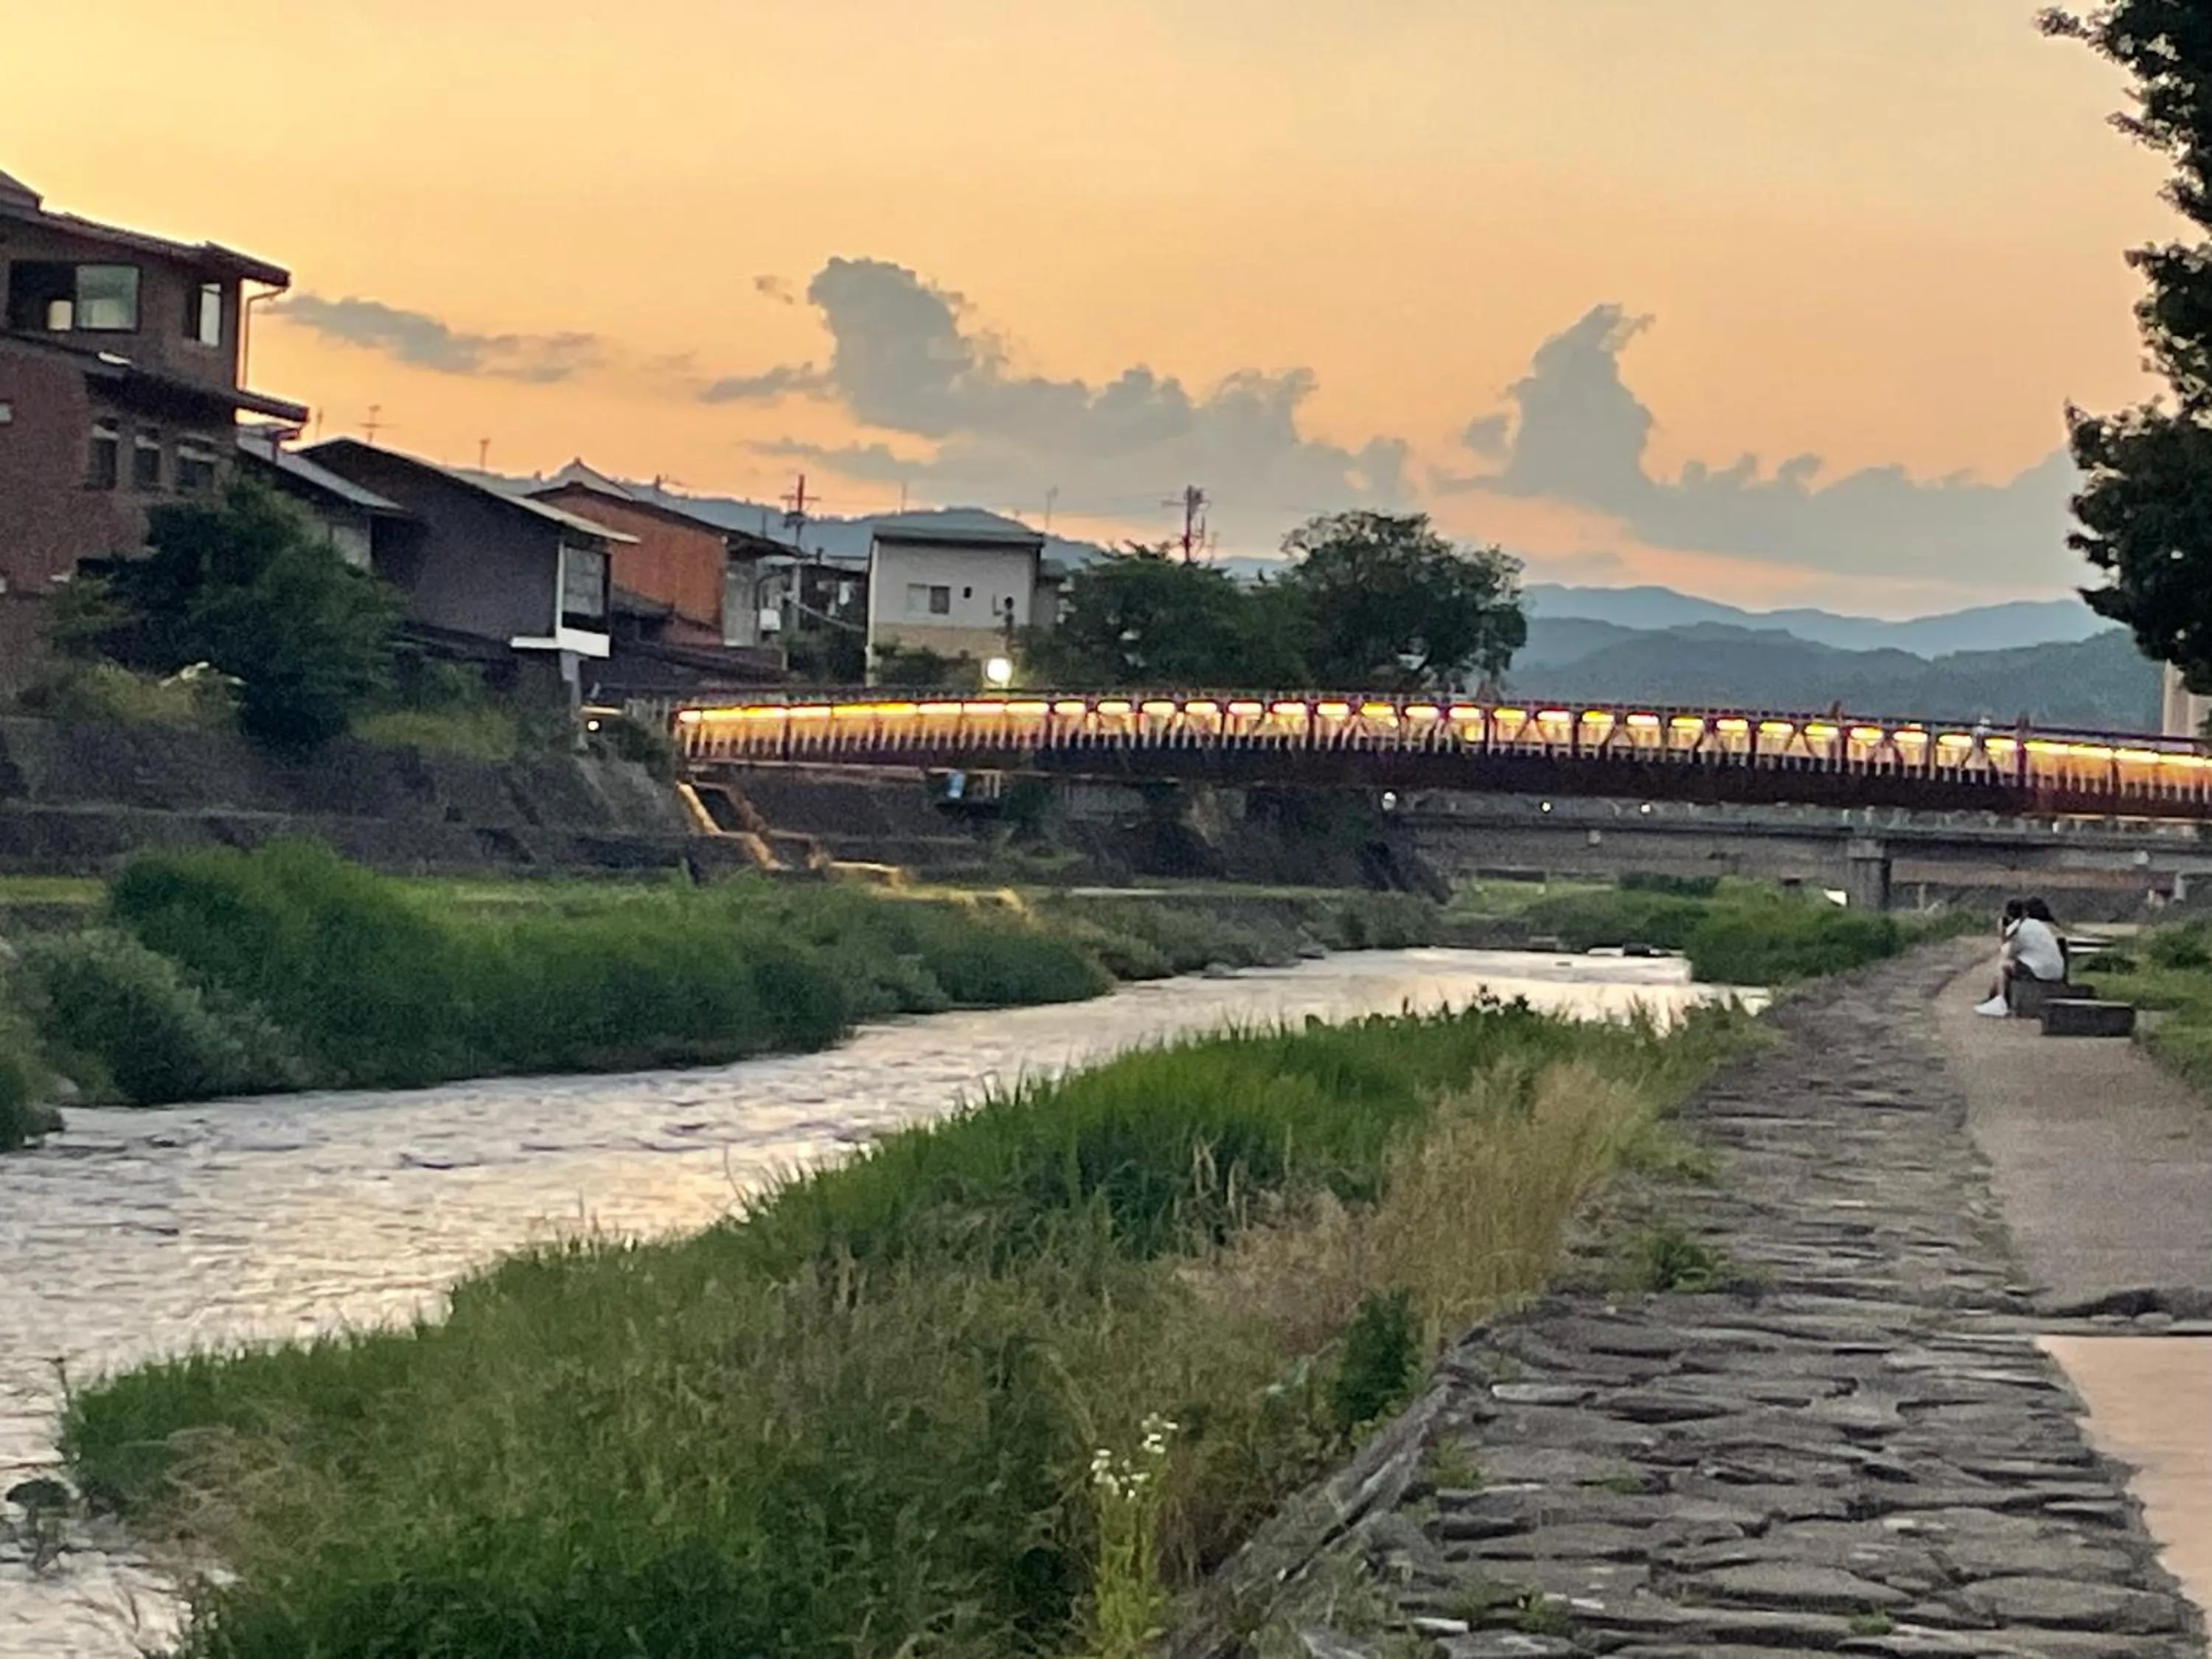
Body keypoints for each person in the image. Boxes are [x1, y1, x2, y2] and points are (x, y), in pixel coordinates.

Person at [1975, 896, 2066, 1017]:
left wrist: (2003, 934)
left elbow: (2007, 953)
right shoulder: (2036, 924)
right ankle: (1996, 998)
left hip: (2040, 971)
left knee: (2003, 966)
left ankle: (2000, 1001)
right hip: (2057, 971)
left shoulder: (2017, 927)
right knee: (2015, 965)